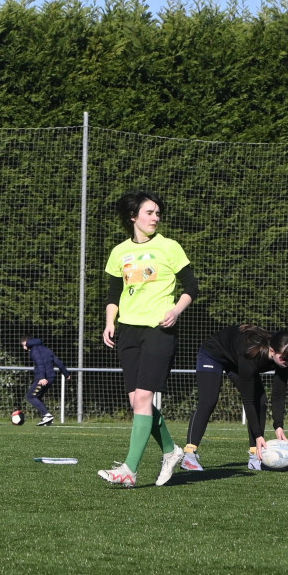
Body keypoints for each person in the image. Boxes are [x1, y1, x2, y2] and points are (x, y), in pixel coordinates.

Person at [99, 190, 199, 488]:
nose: (156, 217)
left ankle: (129, 469)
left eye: (157, 213)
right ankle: (171, 451)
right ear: (134, 217)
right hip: (128, 331)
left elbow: (191, 286)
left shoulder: (170, 247)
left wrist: (176, 311)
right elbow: (114, 294)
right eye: (149, 213)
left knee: (143, 398)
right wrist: (109, 322)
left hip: (159, 329)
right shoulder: (119, 252)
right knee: (136, 402)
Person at [180, 324, 288, 472]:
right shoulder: (252, 354)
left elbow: (278, 395)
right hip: (213, 354)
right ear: (272, 351)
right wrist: (258, 435)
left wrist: (278, 426)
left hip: (235, 360)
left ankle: (255, 457)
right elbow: (247, 400)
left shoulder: (286, 357)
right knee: (208, 401)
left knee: (261, 401)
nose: (287, 363)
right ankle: (189, 455)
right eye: (284, 359)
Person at [20, 336, 71, 426]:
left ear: (28, 343)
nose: (24, 348)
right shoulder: (46, 349)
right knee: (37, 396)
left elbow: (40, 364)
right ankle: (46, 418)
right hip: (51, 377)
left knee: (31, 396)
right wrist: (66, 373)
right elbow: (58, 361)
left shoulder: (34, 350)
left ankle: (47, 415)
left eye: (24, 345)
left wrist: (42, 377)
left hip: (44, 377)